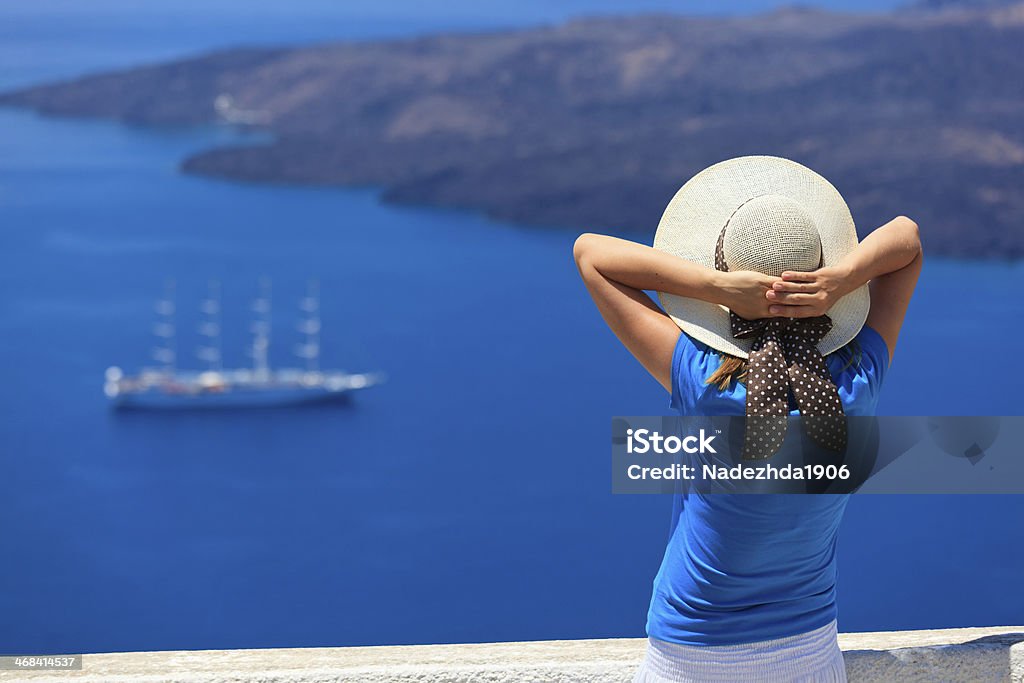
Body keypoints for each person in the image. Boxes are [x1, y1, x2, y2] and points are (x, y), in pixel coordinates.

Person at [573, 156, 923, 682]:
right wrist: (842, 280)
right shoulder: (857, 382)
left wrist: (714, 288)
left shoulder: (705, 385)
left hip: (692, 654)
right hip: (810, 651)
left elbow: (591, 255)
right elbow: (907, 240)